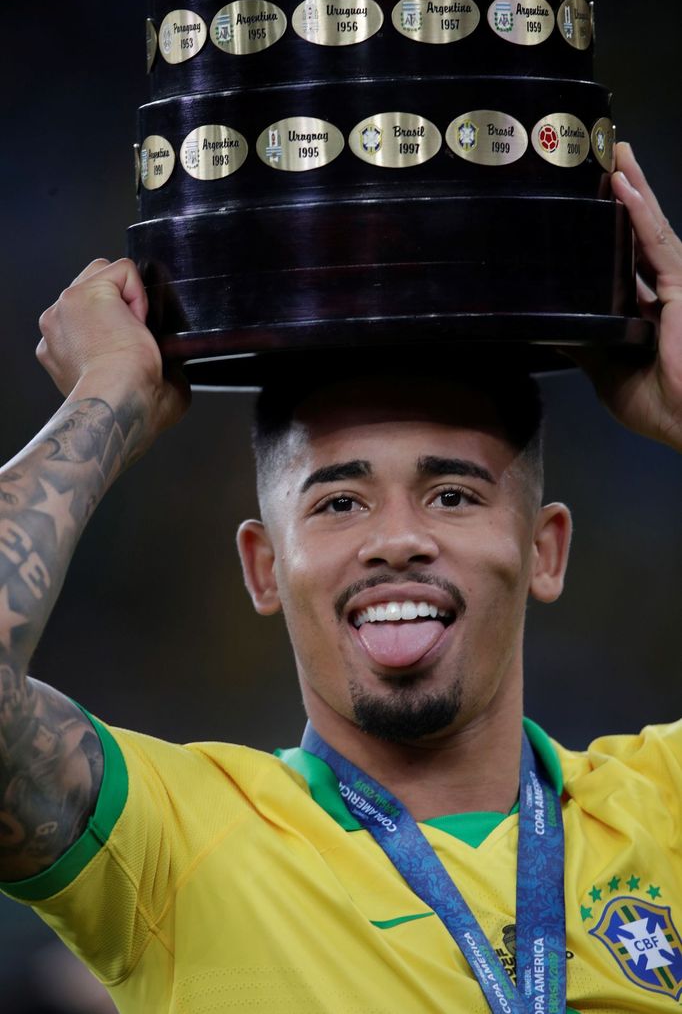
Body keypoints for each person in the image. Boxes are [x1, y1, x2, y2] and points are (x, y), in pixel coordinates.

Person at [0, 142, 680, 1013]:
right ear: (262, 566)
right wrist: (107, 396)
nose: (397, 538)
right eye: (338, 504)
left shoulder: (666, 808)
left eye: (452, 493)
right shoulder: (174, 846)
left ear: (545, 548)